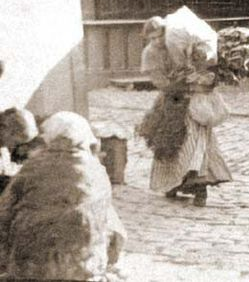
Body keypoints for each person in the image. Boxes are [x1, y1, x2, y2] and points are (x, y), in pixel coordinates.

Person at [0, 111, 126, 281]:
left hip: (31, 264)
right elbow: (112, 224)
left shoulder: (33, 167)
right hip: (81, 266)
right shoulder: (96, 171)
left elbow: (4, 211)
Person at [138, 15, 232, 207]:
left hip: (196, 103)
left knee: (199, 144)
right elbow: (161, 83)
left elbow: (205, 66)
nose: (157, 41)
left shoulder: (179, 45)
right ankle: (172, 183)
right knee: (173, 145)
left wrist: (202, 77)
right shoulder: (150, 54)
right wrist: (183, 83)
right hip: (173, 102)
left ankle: (200, 186)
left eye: (160, 36)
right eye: (152, 38)